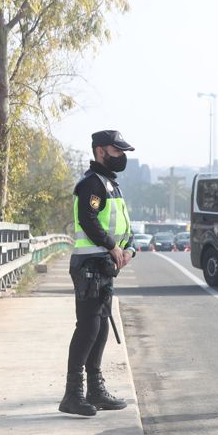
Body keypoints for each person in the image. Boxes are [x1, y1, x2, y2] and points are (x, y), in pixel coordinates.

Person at [60, 130, 137, 417]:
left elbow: (123, 226)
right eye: (117, 152)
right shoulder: (91, 184)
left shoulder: (110, 185)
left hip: (105, 266)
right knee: (88, 327)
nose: (122, 157)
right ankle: (73, 393)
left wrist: (129, 249)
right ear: (100, 151)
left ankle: (95, 389)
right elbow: (87, 219)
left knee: (101, 327)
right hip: (89, 265)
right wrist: (110, 246)